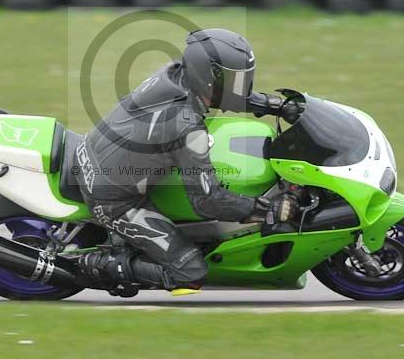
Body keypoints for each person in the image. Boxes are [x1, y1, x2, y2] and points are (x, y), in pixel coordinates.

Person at [76, 28, 302, 292]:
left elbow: (228, 94)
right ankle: (93, 264)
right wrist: (267, 209)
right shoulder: (185, 128)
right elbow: (207, 201)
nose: (241, 86)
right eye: (235, 80)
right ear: (208, 77)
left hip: (99, 151)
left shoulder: (177, 73)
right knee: (189, 271)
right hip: (112, 198)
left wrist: (275, 105)